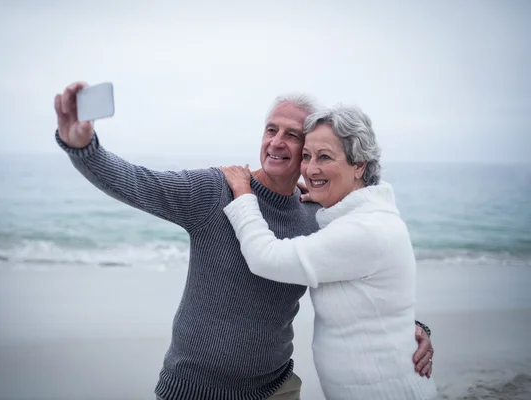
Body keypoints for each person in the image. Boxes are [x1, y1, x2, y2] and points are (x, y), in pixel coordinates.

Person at [53, 82, 435, 400]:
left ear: (309, 151)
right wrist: (84, 149)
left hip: (277, 389)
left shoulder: (313, 214)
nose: (277, 142)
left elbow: (359, 278)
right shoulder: (214, 190)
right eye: (271, 130)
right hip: (194, 389)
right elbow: (138, 183)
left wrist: (408, 327)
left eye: (293, 135)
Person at [220, 105, 438, 399]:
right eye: (307, 156)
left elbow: (265, 257)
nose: (310, 169)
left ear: (359, 164)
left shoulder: (366, 229)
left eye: (324, 157)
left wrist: (243, 194)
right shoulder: (356, 217)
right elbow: (378, 300)